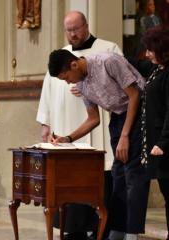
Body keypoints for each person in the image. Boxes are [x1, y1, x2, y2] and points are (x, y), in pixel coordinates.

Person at [36, 11, 122, 239]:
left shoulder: (108, 49)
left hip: (96, 128)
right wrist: (45, 122)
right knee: (68, 180)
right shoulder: (60, 56)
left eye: (76, 29)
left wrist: (89, 89)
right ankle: (71, 229)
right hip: (66, 127)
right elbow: (47, 90)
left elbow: (123, 87)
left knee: (98, 179)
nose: (72, 34)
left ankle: (98, 229)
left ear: (86, 25)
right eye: (68, 30)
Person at [48, 49, 149, 240]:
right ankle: (117, 231)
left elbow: (135, 95)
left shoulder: (108, 61)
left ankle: (132, 234)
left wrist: (125, 136)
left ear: (74, 64)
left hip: (139, 112)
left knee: (133, 176)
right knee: (118, 175)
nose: (68, 82)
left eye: (66, 77)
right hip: (118, 118)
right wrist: (68, 138)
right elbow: (93, 119)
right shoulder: (82, 83)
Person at [130, 26, 169, 240]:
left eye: (150, 49)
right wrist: (112, 55)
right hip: (158, 147)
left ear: (161, 49)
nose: (147, 54)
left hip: (165, 147)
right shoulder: (157, 69)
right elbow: (138, 64)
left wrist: (163, 142)